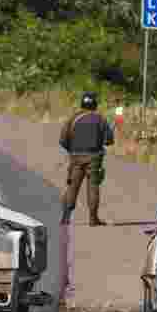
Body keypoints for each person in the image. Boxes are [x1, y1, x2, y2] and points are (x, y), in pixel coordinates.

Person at [59, 91, 115, 226]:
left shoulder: (73, 118)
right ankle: (93, 219)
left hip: (76, 157)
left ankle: (65, 217)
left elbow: (63, 140)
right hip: (94, 158)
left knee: (72, 186)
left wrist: (72, 151)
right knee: (93, 187)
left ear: (82, 103)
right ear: (95, 104)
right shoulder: (100, 119)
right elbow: (109, 141)